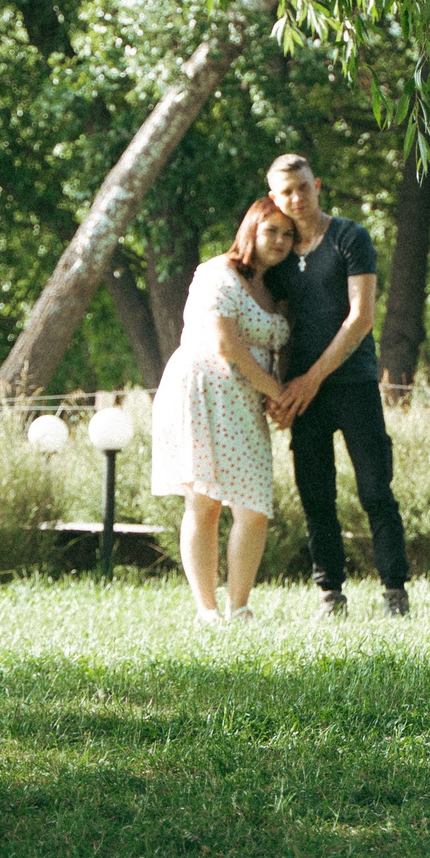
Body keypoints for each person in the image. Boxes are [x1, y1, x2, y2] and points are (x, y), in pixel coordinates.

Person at [262, 154, 412, 618]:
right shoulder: (280, 253)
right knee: (316, 495)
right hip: (301, 394)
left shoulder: (350, 237)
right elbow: (275, 324)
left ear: (317, 185)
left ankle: (395, 591)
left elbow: (361, 317)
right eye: (286, 192)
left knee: (375, 491)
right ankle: (330, 593)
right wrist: (279, 390)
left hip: (353, 381)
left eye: (303, 187)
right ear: (274, 197)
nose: (296, 199)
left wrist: (311, 379)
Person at [151, 198, 297, 626]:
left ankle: (241, 606)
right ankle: (207, 610)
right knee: (206, 501)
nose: (281, 241)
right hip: (204, 392)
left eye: (288, 235)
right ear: (250, 227)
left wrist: (275, 395)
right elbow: (225, 344)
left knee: (254, 505)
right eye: (272, 230)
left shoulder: (274, 291)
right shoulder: (218, 274)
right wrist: (277, 391)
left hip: (247, 400)